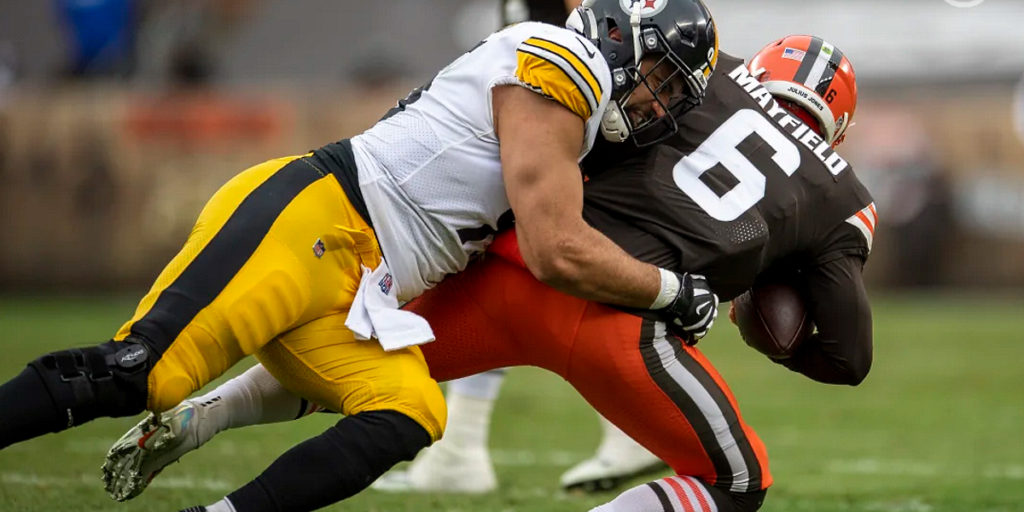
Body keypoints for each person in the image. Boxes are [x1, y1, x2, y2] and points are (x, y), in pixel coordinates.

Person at [0, 0, 720, 510]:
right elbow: (555, 249)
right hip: (313, 220)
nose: (657, 106)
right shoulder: (568, 63)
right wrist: (668, 290)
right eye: (658, 78)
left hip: (362, 286)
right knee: (144, 373)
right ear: (622, 34)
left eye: (671, 97)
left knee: (408, 411)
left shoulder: (582, 116)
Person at [105, 34, 871, 512]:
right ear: (836, 125)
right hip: (627, 319)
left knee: (351, 364)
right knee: (736, 483)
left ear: (764, 69)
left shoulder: (704, 71)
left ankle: (204, 415)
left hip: (517, 269)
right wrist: (767, 318)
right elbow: (848, 355)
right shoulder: (843, 195)